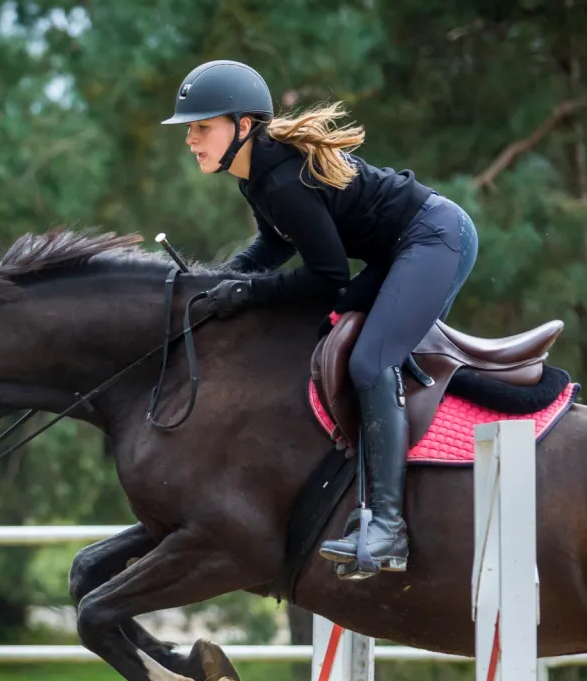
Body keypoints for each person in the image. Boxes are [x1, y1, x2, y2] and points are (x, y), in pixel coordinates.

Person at [161, 59, 479, 579]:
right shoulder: (256, 177)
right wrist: (218, 281)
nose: (190, 139)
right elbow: (273, 245)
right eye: (190, 129)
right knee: (344, 345)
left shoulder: (281, 180)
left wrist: (246, 292)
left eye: (202, 127)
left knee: (370, 362)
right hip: (399, 251)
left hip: (435, 238)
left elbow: (328, 277)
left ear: (243, 126)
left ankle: (389, 528)